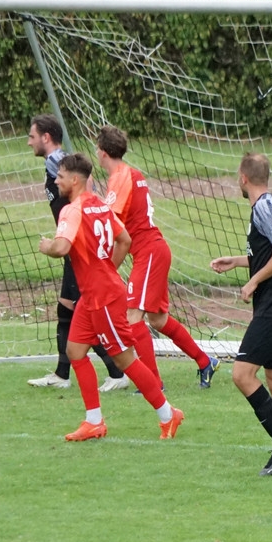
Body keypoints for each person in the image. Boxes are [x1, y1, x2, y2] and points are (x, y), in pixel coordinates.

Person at [38, 152, 184, 441]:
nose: (56, 181)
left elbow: (62, 247)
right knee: (75, 351)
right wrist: (108, 268)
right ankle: (94, 422)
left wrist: (47, 246)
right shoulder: (100, 205)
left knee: (124, 360)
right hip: (93, 294)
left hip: (103, 297)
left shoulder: (72, 210)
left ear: (75, 180)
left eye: (61, 176)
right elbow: (124, 239)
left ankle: (168, 414)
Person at [95, 125, 220, 389]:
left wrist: (106, 267)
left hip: (149, 252)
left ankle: (152, 384)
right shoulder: (131, 174)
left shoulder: (121, 176)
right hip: (153, 251)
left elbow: (114, 227)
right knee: (158, 320)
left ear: (102, 152)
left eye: (97, 148)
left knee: (133, 316)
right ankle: (204, 361)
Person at [210, 152, 272, 476]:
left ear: (243, 178)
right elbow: (269, 253)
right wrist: (238, 261)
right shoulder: (269, 204)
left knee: (241, 374)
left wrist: (253, 281)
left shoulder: (263, 206)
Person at [26, 114, 129, 392]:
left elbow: (86, 182)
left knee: (83, 313)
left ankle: (117, 372)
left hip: (77, 248)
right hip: (73, 247)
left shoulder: (57, 161)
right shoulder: (57, 163)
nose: (29, 142)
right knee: (66, 309)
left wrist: (76, 217)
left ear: (46, 137)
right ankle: (62, 374)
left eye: (32, 137)